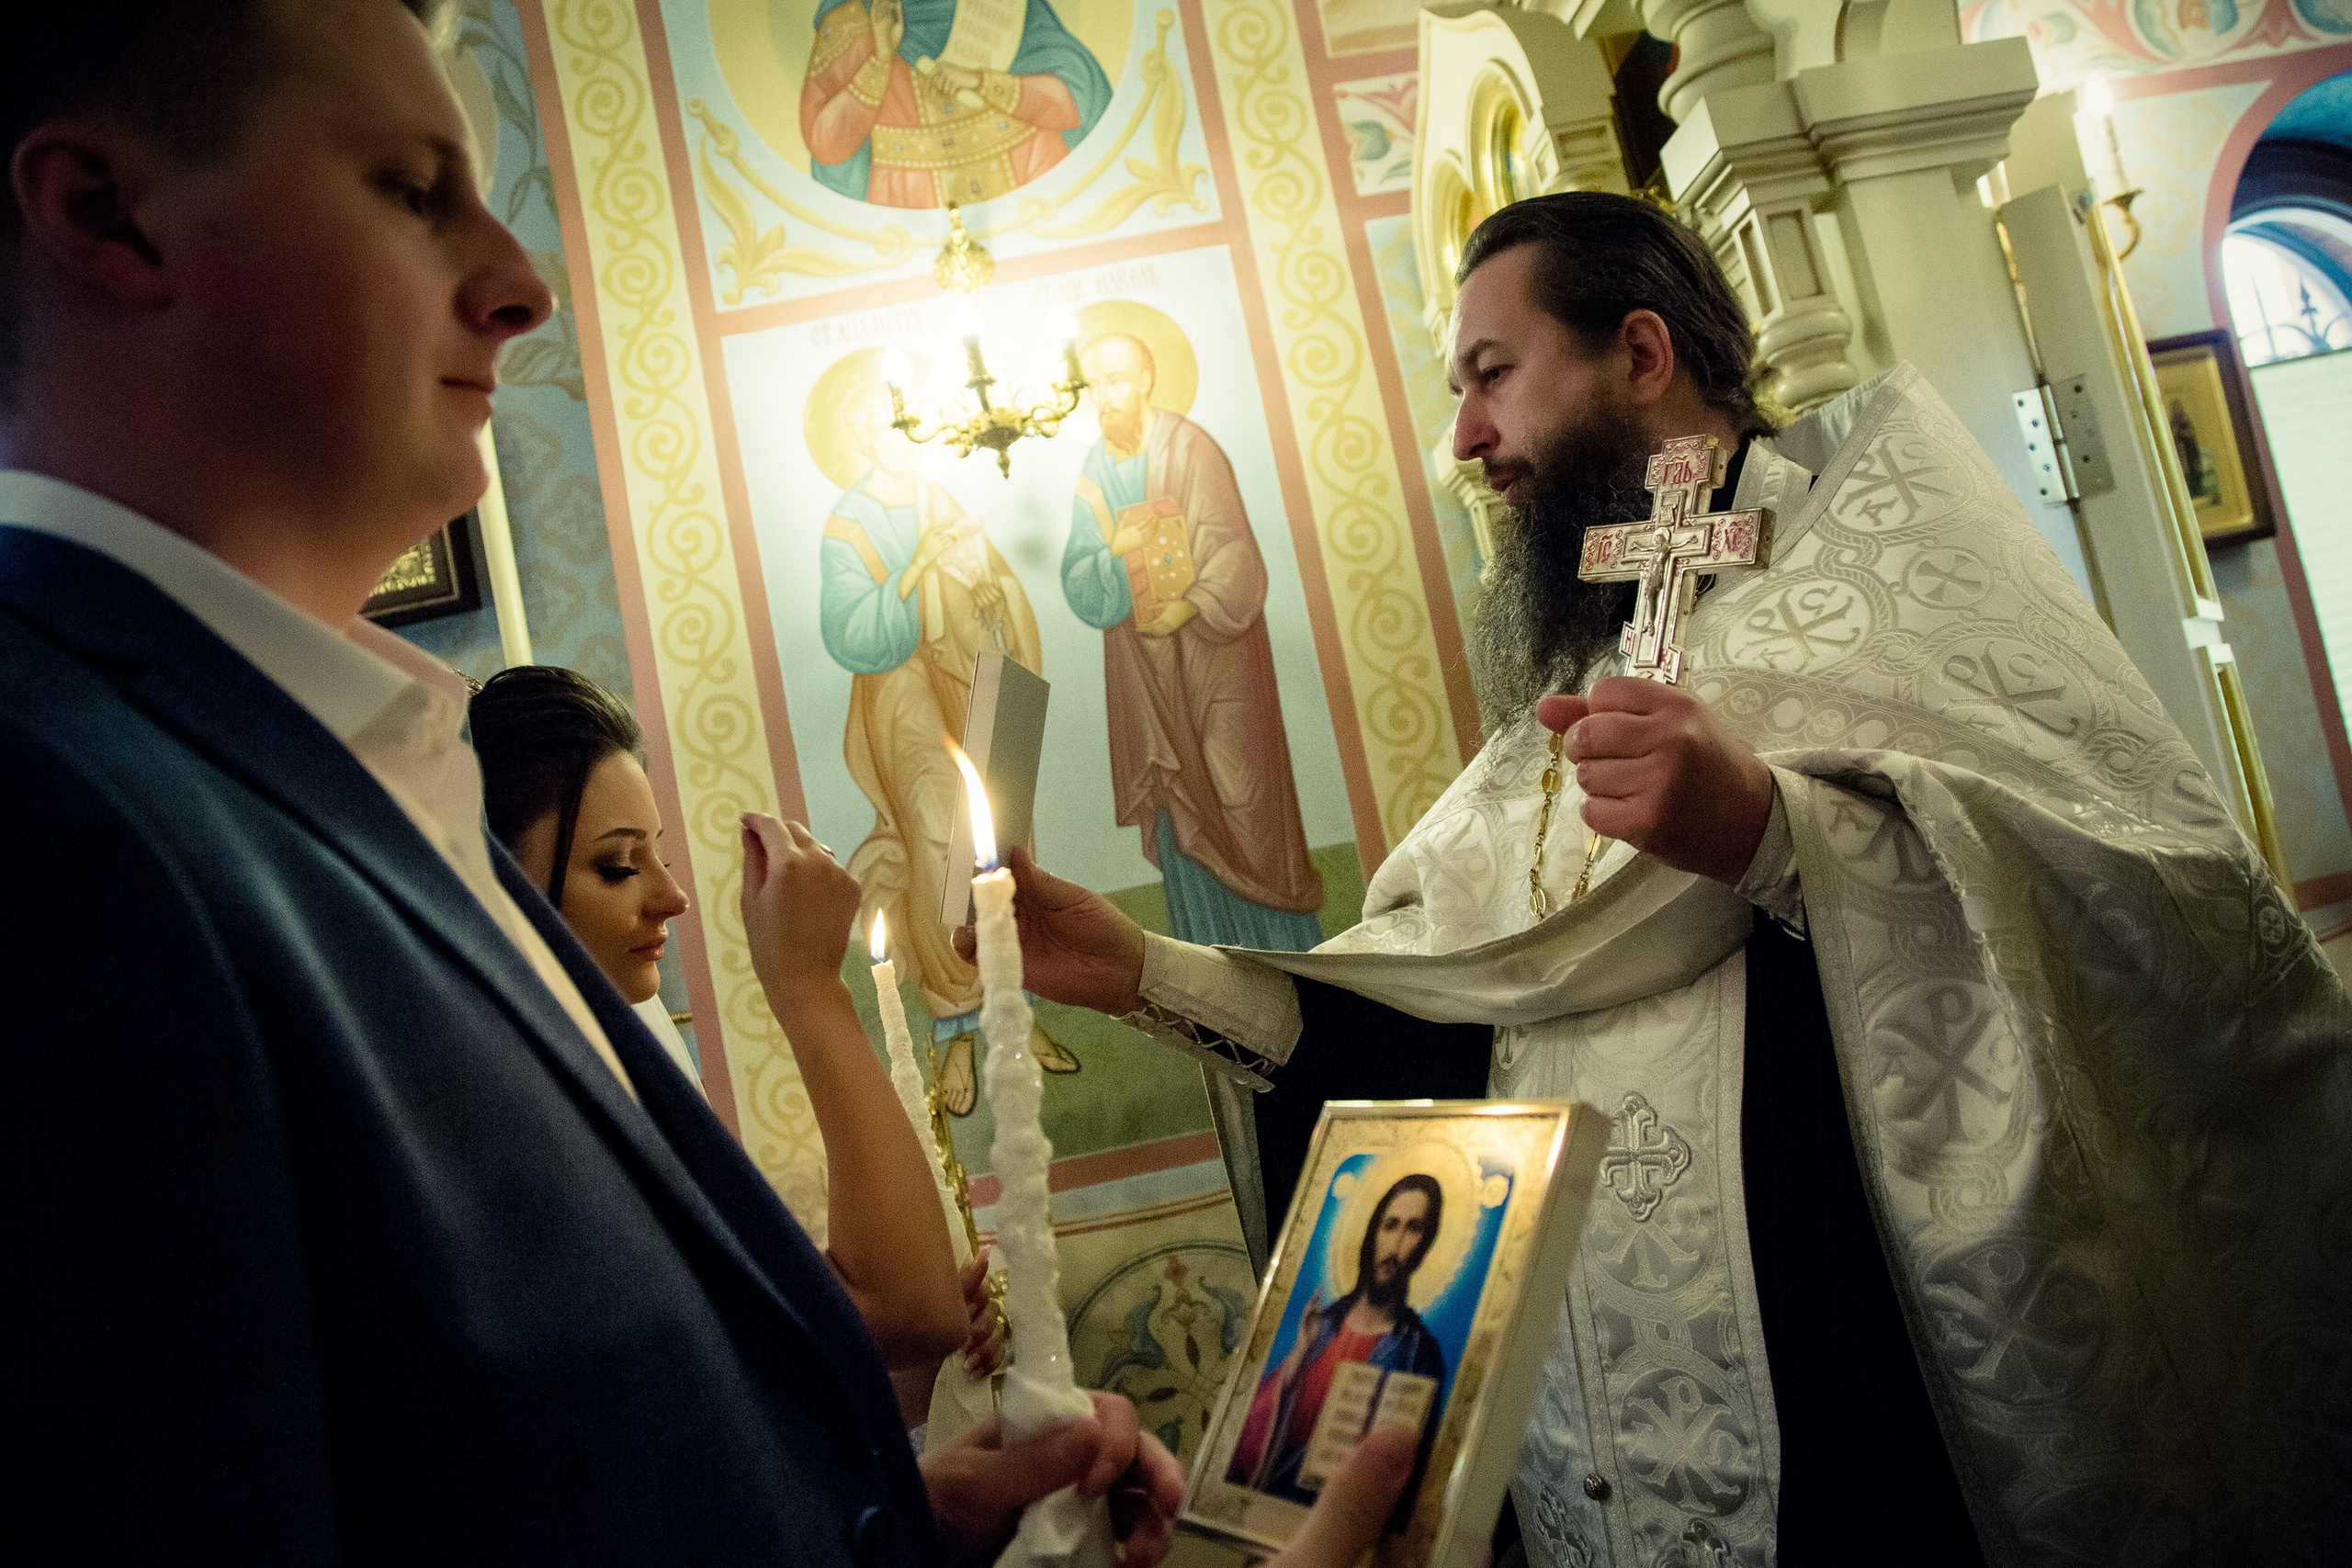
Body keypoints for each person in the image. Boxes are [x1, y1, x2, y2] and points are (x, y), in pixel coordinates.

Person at [973, 192, 2352, 1566]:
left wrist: (1778, 832)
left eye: (1492, 376)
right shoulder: (1587, 663)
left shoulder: (1891, 587)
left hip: (1857, 1400)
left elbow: (2155, 914)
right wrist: (1138, 966)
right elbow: (1445, 1002)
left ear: (1641, 354)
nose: (1465, 440)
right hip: (1591, 1441)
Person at [0, 4, 1175, 1560]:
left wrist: (889, 1527)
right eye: (413, 190)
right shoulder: (55, 818)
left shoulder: (353, 765)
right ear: (108, 213)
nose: (518, 284)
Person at [469, 663, 967, 1377]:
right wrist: (809, 984)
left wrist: (911, 1381)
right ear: (494, 889)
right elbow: (909, 1309)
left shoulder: (632, 1044)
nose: (673, 896)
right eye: (617, 866)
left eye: (660, 852)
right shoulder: (519, 1120)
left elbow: (756, 1353)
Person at [816, 365, 1075, 1119]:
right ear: (855, 442)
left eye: (887, 422)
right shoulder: (848, 526)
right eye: (866, 428)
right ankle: (958, 1022)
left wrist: (989, 593)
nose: (882, 438)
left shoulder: (940, 495)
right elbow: (852, 631)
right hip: (900, 693)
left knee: (997, 821)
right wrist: (916, 571)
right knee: (936, 839)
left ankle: (1015, 1009)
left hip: (966, 670)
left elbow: (982, 576)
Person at [1230, 1174, 1446, 1503]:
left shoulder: (1419, 1354)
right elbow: (1246, 1440)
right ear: (1373, 1232)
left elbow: (1407, 1481)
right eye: (1390, 1225)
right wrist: (1298, 1357)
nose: (1396, 1244)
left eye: (1413, 1228)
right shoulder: (1321, 1327)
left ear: (1425, 1244)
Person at [799, 0, 1113, 209]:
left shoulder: (1005, 6)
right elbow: (827, 143)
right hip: (910, 201)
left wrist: (981, 81)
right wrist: (881, 58)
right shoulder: (856, 20)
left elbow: (1076, 98)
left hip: (1034, 177)